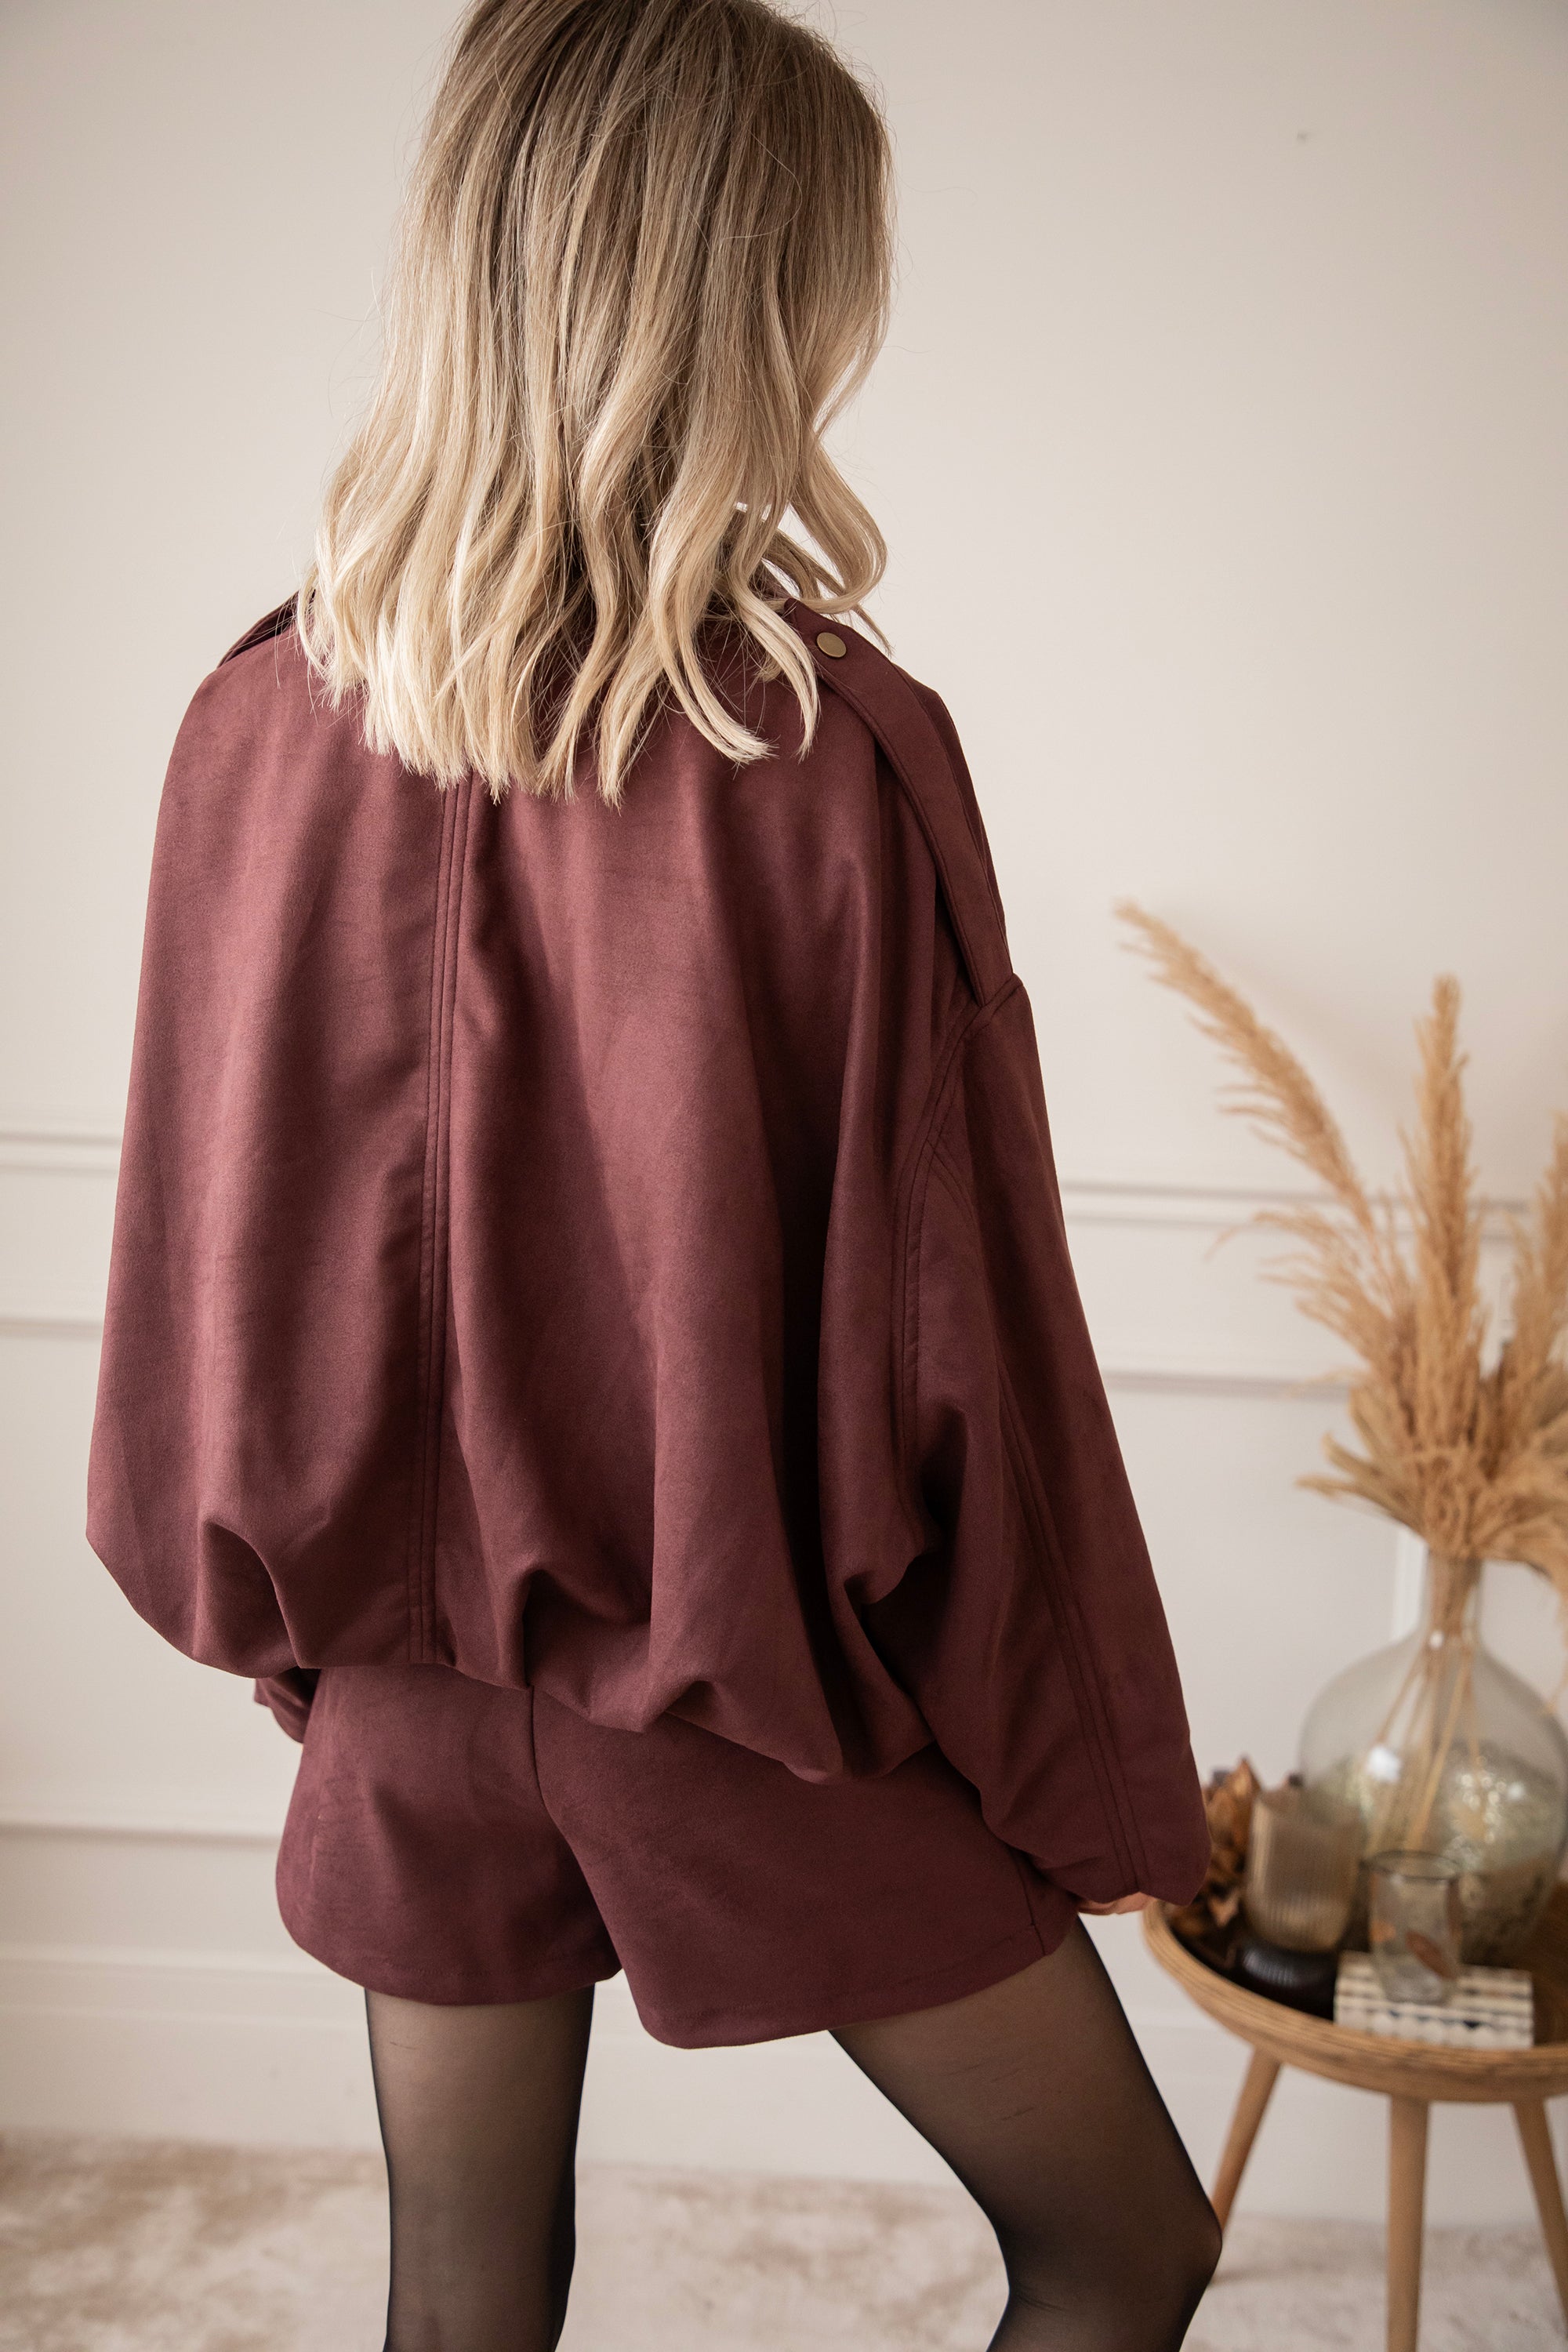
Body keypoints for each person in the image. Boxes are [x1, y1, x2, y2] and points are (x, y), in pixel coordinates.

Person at [86, 2, 1222, 2344]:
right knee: (1126, 2247)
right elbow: (962, 1331)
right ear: (753, 302)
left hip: (400, 1701)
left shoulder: (248, 721)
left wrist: (333, 1665)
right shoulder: (825, 756)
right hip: (736, 1700)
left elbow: (203, 1272)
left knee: (460, 2296)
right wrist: (1073, 1769)